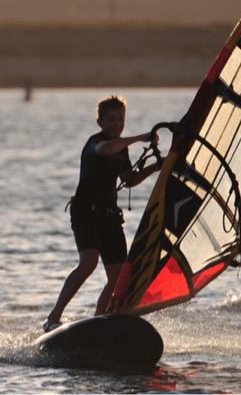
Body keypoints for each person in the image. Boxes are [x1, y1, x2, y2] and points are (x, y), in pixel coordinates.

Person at [43, 95, 161, 331]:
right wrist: (140, 137)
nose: (116, 124)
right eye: (111, 120)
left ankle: (99, 321)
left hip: (109, 217)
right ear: (100, 122)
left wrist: (157, 166)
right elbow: (107, 149)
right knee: (88, 262)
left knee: (118, 278)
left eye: (120, 119)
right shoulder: (95, 143)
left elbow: (129, 180)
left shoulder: (121, 149)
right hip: (85, 214)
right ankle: (53, 317)